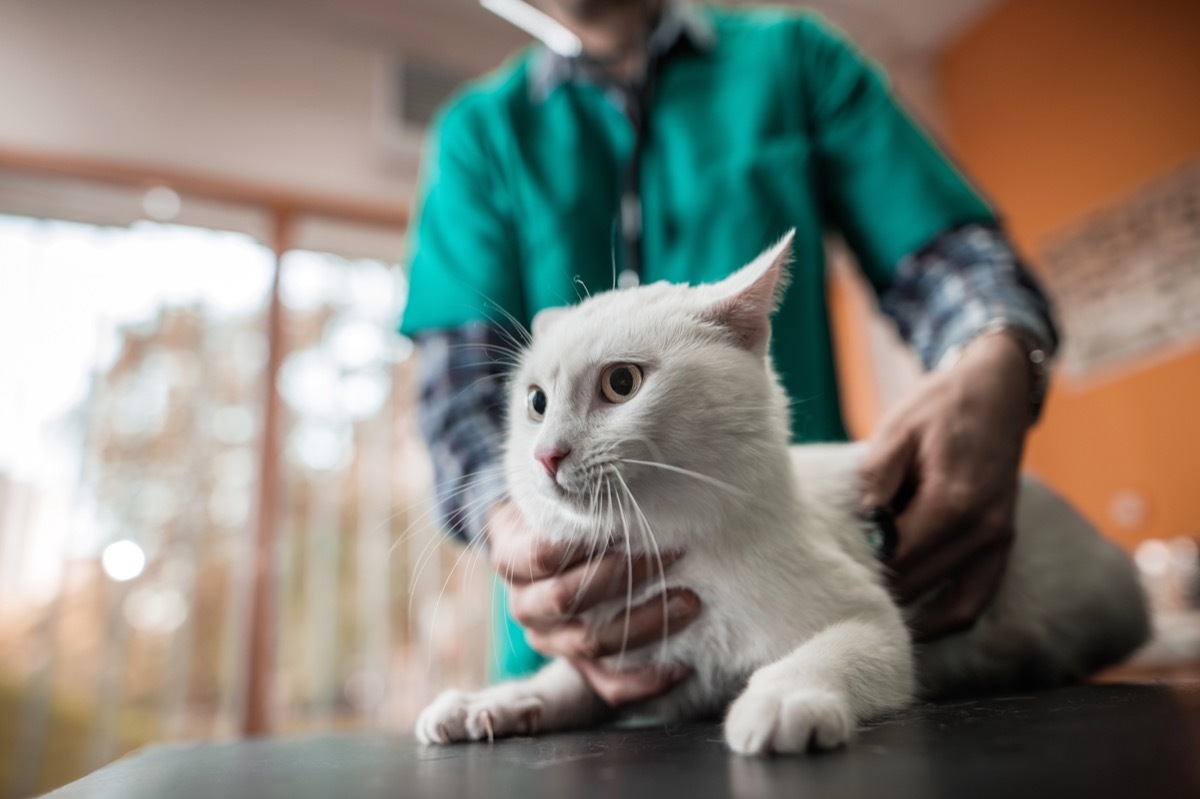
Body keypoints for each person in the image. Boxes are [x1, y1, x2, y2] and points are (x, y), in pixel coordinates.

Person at [400, 0, 1058, 705]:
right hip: (580, 624)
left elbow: (949, 262)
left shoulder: (794, 59)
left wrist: (998, 353)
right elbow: (461, 395)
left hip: (791, 582)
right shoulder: (478, 134)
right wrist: (509, 524)